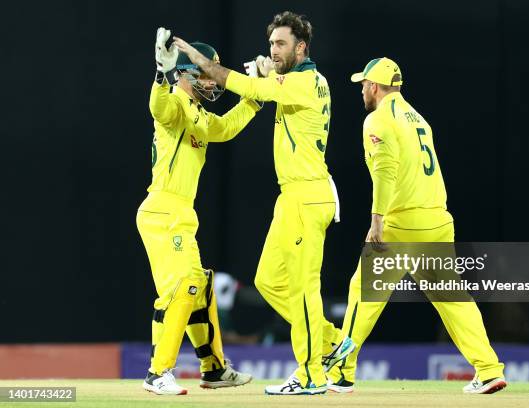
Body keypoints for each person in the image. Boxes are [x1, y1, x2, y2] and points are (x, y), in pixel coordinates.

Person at [173, 11, 355, 395]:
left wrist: (202, 62)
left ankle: (310, 374)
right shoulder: (298, 80)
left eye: (281, 44)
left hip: (307, 195)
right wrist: (267, 73)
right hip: (293, 196)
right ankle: (332, 344)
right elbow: (269, 84)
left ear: (301, 47)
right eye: (271, 43)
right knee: (268, 281)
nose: (273, 50)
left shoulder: (307, 82)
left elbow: (247, 87)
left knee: (304, 288)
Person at [325, 57, 507, 394]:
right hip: (437, 220)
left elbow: (385, 172)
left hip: (402, 222)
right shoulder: (418, 117)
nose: (362, 89)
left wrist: (376, 220)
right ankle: (489, 368)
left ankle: (341, 372)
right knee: (453, 298)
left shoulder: (377, 119)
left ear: (375, 87)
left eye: (364, 84)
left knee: (363, 294)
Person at [137, 27, 258, 395]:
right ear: (186, 73)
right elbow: (157, 108)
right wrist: (162, 73)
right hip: (162, 211)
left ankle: (214, 369)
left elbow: (224, 129)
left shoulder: (198, 114)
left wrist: (253, 100)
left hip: (180, 214)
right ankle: (158, 373)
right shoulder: (174, 103)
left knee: (200, 287)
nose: (212, 81)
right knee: (182, 287)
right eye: (205, 73)